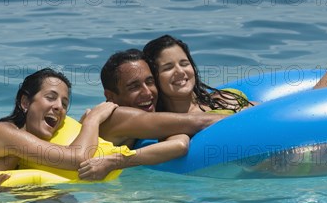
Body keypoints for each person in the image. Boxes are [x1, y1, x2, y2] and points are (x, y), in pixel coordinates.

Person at [141, 35, 327, 175]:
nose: (180, 72)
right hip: (298, 151)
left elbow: (267, 111)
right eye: (167, 68)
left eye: (184, 63)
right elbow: (176, 144)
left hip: (304, 132)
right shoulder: (178, 119)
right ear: (155, 78)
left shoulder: (216, 97)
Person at [78, 49, 228, 180]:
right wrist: (245, 117)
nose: (147, 92)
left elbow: (180, 143)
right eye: (134, 86)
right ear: (111, 96)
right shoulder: (117, 116)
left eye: (149, 82)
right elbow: (196, 123)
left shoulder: (142, 127)